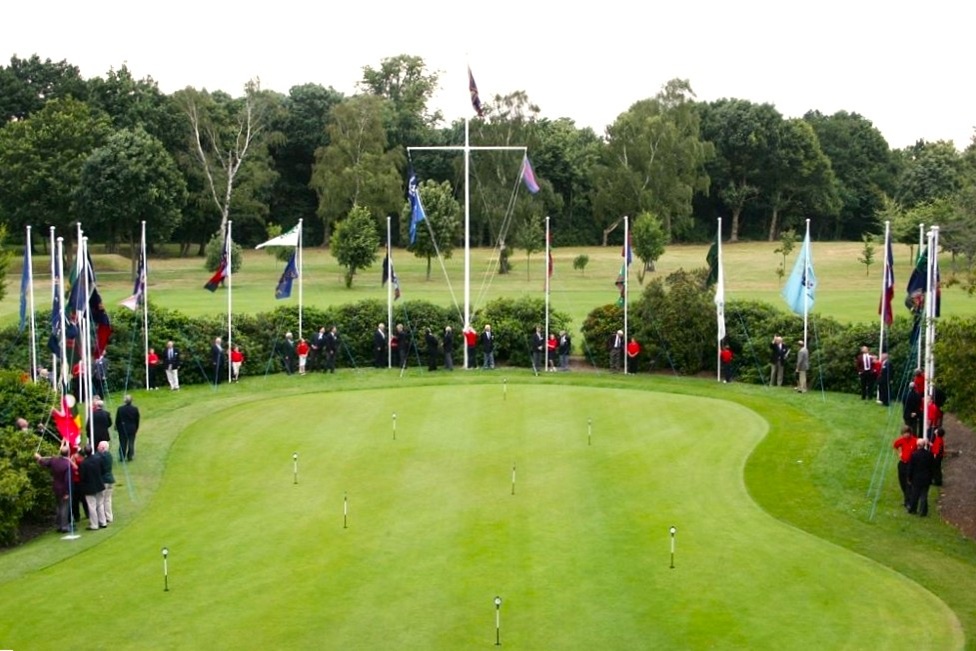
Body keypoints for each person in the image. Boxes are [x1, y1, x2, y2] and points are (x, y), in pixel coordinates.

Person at [35, 440, 73, 533]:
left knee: (59, 507)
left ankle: (59, 525)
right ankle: (64, 526)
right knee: (64, 507)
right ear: (68, 453)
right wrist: (67, 492)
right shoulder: (67, 464)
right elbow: (67, 480)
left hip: (55, 486)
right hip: (63, 488)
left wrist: (39, 458)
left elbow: (44, 463)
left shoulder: (54, 460)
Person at [79, 446, 106, 530]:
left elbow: (82, 476)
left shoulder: (83, 463)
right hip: (99, 485)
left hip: (89, 487)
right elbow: (103, 470)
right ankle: (103, 521)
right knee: (100, 504)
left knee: (92, 506)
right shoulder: (98, 459)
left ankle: (94, 524)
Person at [907, 438, 936, 516]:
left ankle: (913, 509)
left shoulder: (914, 455)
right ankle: (923, 511)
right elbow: (932, 467)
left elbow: (911, 467)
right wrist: (932, 477)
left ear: (917, 445)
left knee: (915, 494)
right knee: (924, 495)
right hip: (926, 478)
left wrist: (909, 477)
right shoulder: (929, 454)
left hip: (916, 478)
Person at [893, 426, 917, 510]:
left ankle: (908, 501)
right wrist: (899, 453)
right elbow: (895, 445)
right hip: (902, 463)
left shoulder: (915, 441)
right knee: (902, 482)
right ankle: (906, 497)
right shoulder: (900, 441)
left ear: (910, 433)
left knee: (908, 483)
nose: (905, 435)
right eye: (904, 434)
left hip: (910, 465)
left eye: (907, 433)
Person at [115, 394, 140, 462]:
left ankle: (122, 456)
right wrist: (136, 427)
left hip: (122, 428)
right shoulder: (135, 409)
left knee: (123, 442)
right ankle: (130, 456)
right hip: (132, 428)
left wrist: (116, 427)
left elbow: (118, 420)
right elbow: (137, 419)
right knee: (131, 442)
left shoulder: (120, 409)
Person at [97, 441, 115, 524]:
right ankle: (109, 516)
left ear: (103, 448)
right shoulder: (109, 455)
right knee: (107, 500)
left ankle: (103, 518)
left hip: (104, 480)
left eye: (99, 447)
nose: (97, 448)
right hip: (110, 480)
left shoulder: (102, 457)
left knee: (101, 500)